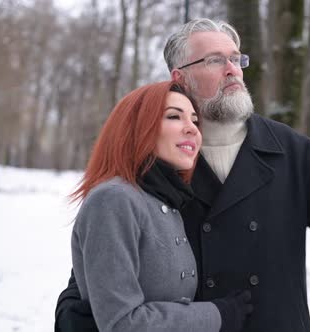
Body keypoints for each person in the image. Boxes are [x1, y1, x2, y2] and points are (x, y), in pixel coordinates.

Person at [55, 18, 310, 332]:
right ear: (180, 77)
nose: (232, 70)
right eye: (215, 60)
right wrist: (72, 307)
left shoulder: (289, 148)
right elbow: (107, 248)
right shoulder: (160, 155)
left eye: (236, 59)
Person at [62, 80, 253, 332]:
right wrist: (217, 315)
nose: (193, 129)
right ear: (137, 128)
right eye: (174, 116)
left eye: (195, 121)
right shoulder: (114, 199)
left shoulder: (166, 200)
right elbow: (123, 323)